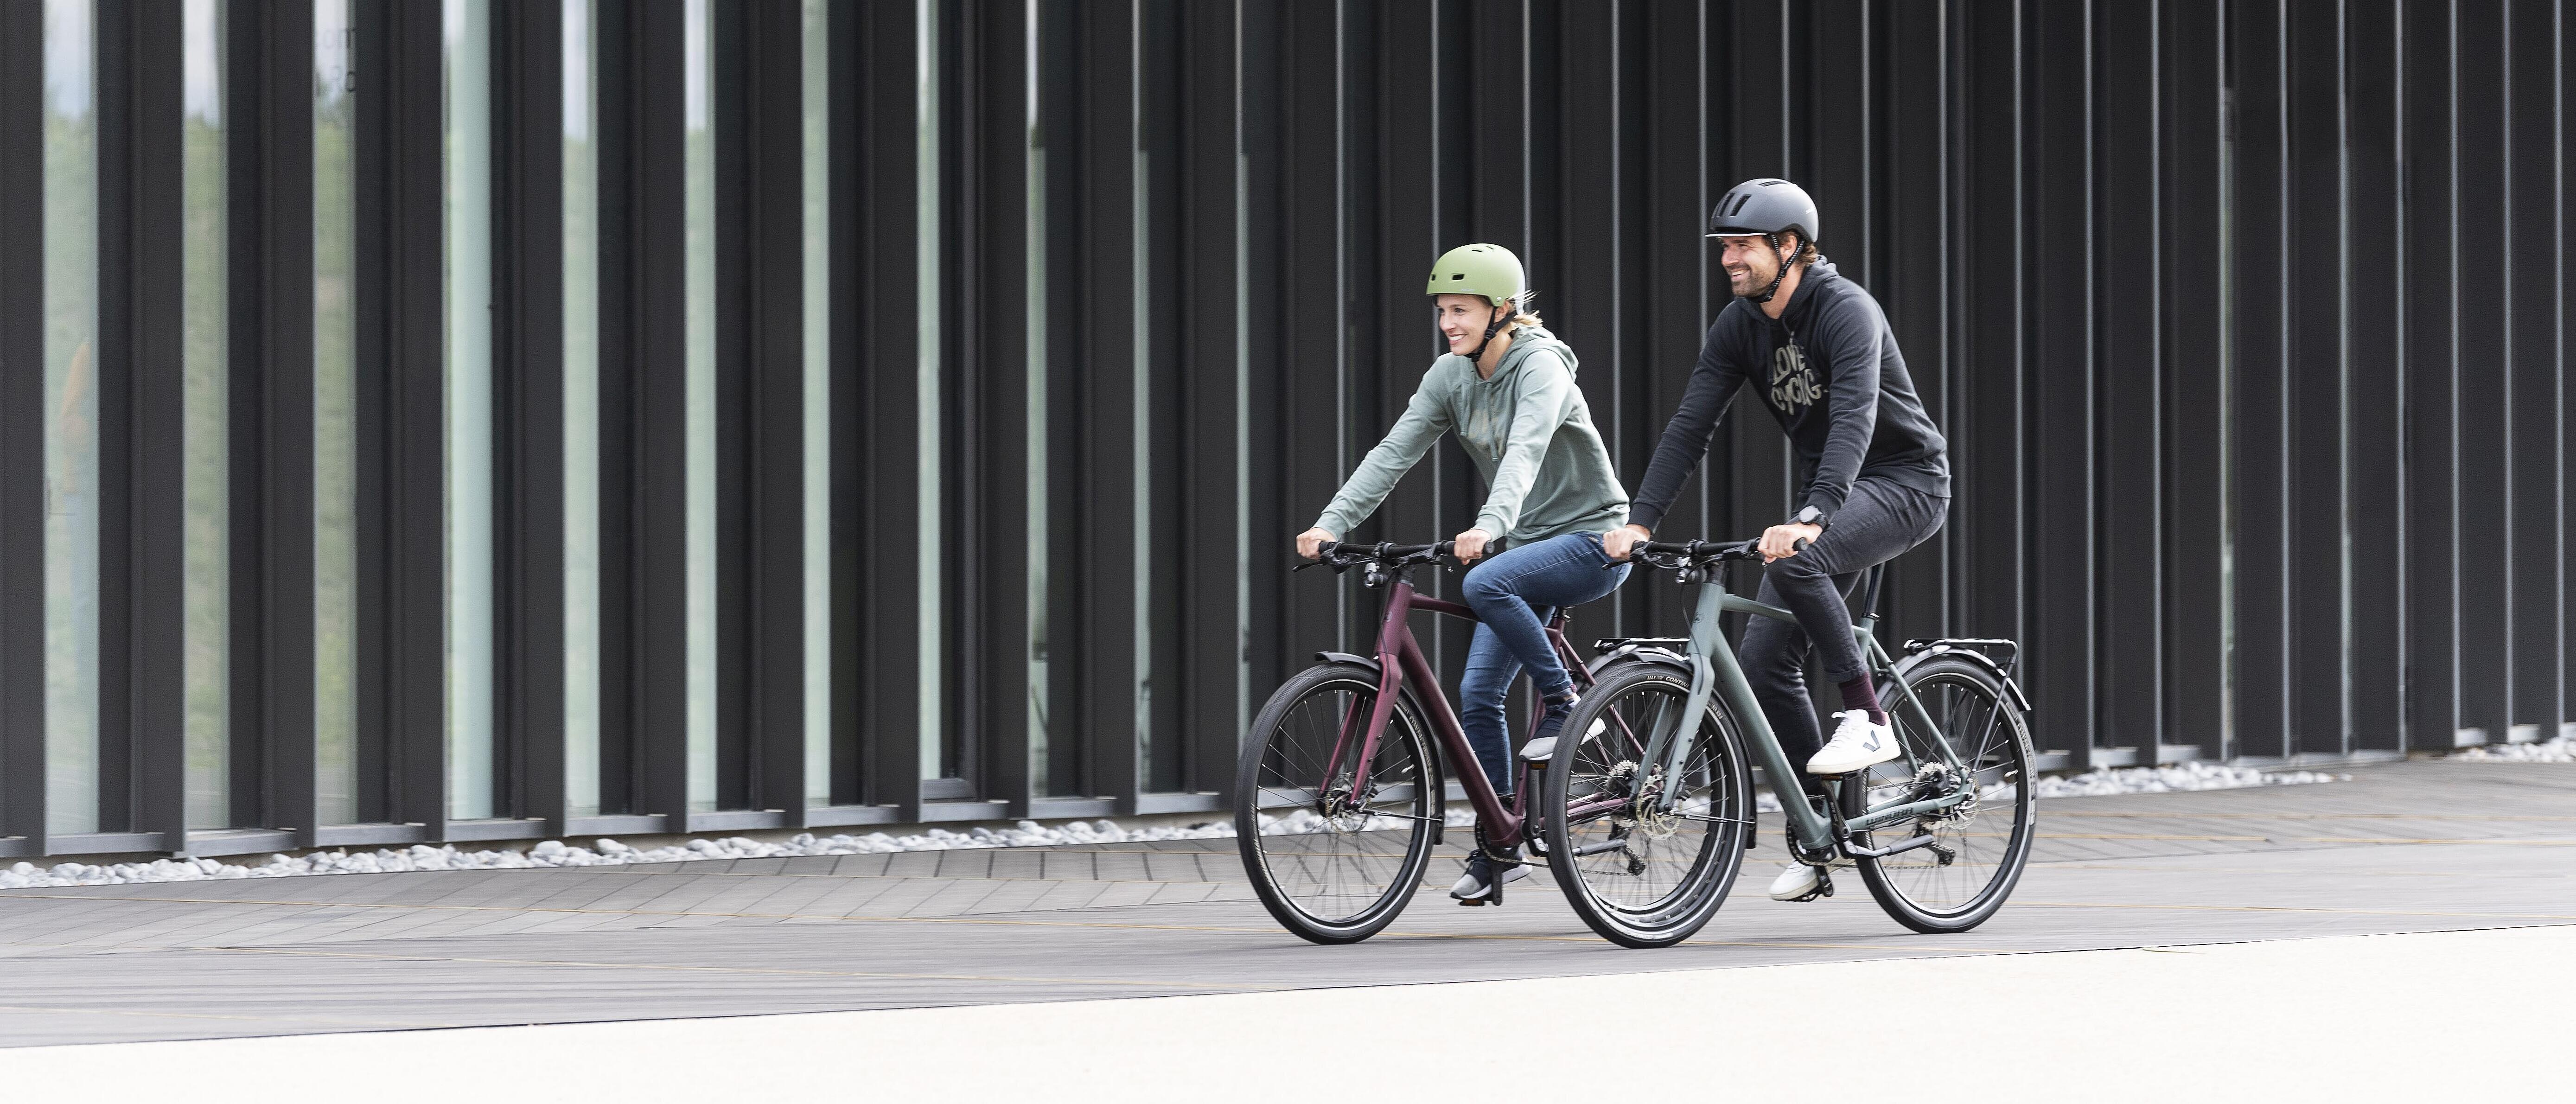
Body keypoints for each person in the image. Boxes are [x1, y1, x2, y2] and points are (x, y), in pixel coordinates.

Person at [1601, 179, 1951, 903]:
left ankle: (1868, 716)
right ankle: (1825, 826)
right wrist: (1641, 520)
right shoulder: (1740, 325)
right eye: (1723, 246)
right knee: (1764, 664)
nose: (1728, 258)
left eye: (1742, 246)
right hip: (1832, 493)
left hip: (1906, 481)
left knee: (1802, 559)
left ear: (1789, 247)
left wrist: (1814, 515)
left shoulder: (1846, 309)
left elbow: (1855, 417)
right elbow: (1688, 428)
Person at [1297, 243, 1632, 903]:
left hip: (1593, 540)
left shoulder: (1540, 368)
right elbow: (1393, 452)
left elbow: (1528, 449)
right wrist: (1332, 521)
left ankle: (1566, 704)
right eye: (1443, 311)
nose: (1449, 323)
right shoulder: (1451, 376)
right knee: (1477, 695)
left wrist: (1490, 524)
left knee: (1483, 583)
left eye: (1463, 310)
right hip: (1526, 546)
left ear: (1502, 310)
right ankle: (1503, 840)